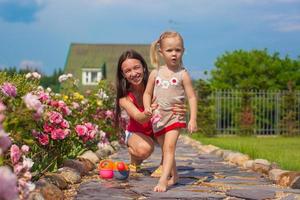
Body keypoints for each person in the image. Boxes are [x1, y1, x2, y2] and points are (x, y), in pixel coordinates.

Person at [143, 31, 198, 192]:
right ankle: (175, 175)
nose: (174, 54)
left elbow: (192, 98)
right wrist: (147, 107)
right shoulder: (155, 73)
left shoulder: (183, 75)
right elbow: (147, 93)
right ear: (161, 52)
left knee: (169, 148)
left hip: (175, 116)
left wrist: (192, 119)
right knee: (165, 148)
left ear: (183, 51)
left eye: (178, 50)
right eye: (169, 50)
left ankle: (163, 179)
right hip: (158, 118)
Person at [114, 49, 185, 173]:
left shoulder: (157, 83)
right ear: (123, 74)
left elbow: (176, 93)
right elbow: (139, 118)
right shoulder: (124, 98)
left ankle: (164, 164)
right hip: (137, 131)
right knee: (144, 149)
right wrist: (149, 111)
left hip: (158, 129)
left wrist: (180, 108)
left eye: (137, 68)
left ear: (144, 67)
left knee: (171, 125)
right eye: (128, 71)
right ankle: (134, 156)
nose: (133, 73)